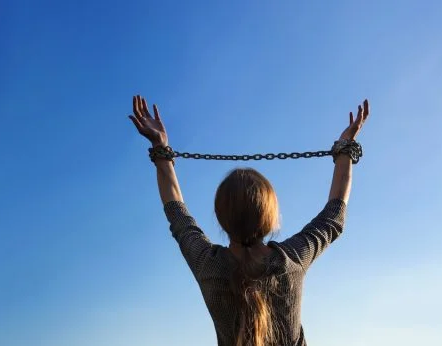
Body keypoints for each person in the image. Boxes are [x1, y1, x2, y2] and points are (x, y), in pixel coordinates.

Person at [127, 95, 370, 346]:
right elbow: (334, 217)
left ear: (221, 219)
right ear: (271, 216)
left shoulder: (208, 264)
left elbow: (177, 214)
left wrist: (160, 149)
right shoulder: (292, 260)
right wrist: (345, 150)